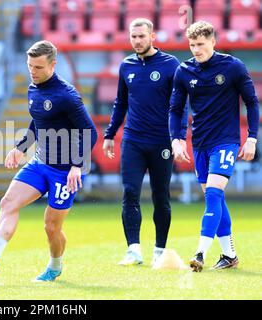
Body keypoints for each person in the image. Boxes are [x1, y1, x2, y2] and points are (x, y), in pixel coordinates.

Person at [0, 40, 98, 281]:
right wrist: (21, 148)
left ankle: (55, 266)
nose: (33, 71)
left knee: (51, 227)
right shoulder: (33, 87)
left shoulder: (67, 95)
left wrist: (77, 165)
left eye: (39, 67)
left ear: (53, 64)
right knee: (7, 203)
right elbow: (38, 121)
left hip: (66, 171)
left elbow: (90, 131)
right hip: (40, 162)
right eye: (30, 66)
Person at [169, 21, 259, 272]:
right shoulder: (184, 71)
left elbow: (251, 102)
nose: (196, 49)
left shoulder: (233, 66)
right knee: (214, 199)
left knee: (214, 195)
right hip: (200, 143)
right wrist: (176, 139)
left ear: (213, 42)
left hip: (226, 141)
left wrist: (252, 137)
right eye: (192, 45)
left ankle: (200, 252)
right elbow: (176, 109)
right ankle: (230, 256)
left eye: (200, 44)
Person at [102, 18, 187, 266]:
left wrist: (178, 138)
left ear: (152, 37)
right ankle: (133, 250)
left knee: (161, 195)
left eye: (141, 36)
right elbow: (120, 103)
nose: (137, 41)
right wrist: (109, 134)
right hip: (133, 140)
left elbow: (181, 106)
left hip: (162, 141)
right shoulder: (126, 66)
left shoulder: (171, 65)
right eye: (133, 36)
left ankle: (159, 250)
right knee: (130, 192)